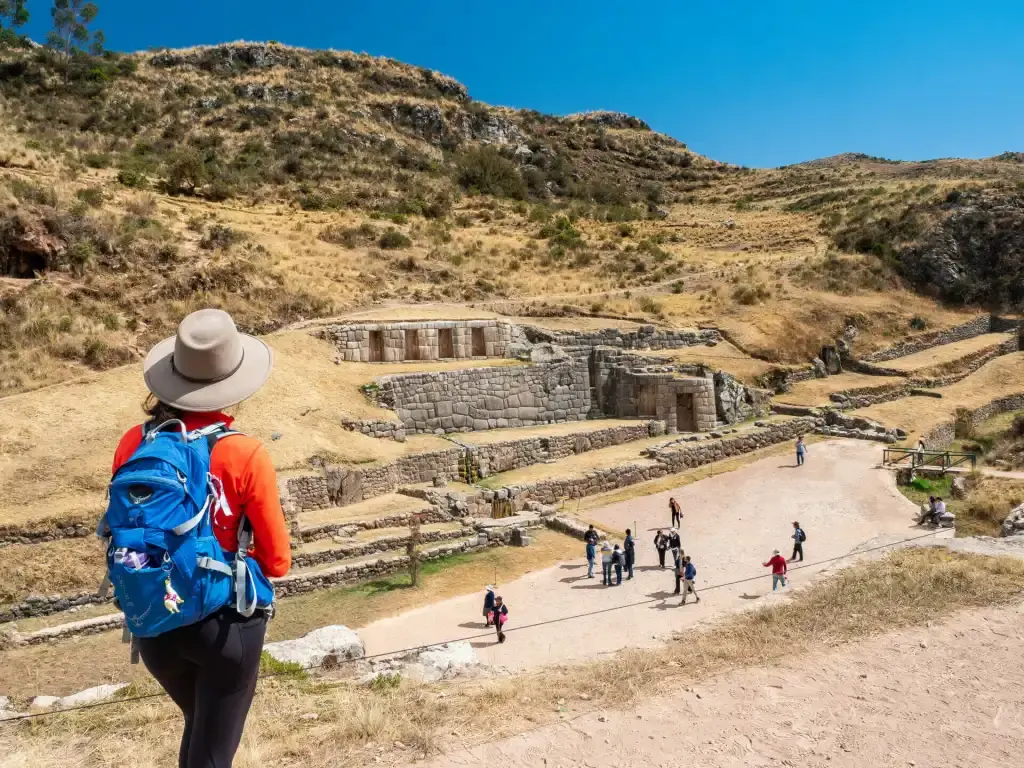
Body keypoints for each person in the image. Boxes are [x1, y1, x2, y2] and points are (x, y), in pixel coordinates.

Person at [108, 309, 290, 768]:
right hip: (223, 626)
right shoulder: (244, 451)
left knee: (201, 734)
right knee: (212, 753)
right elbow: (278, 560)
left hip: (154, 619)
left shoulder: (135, 443)